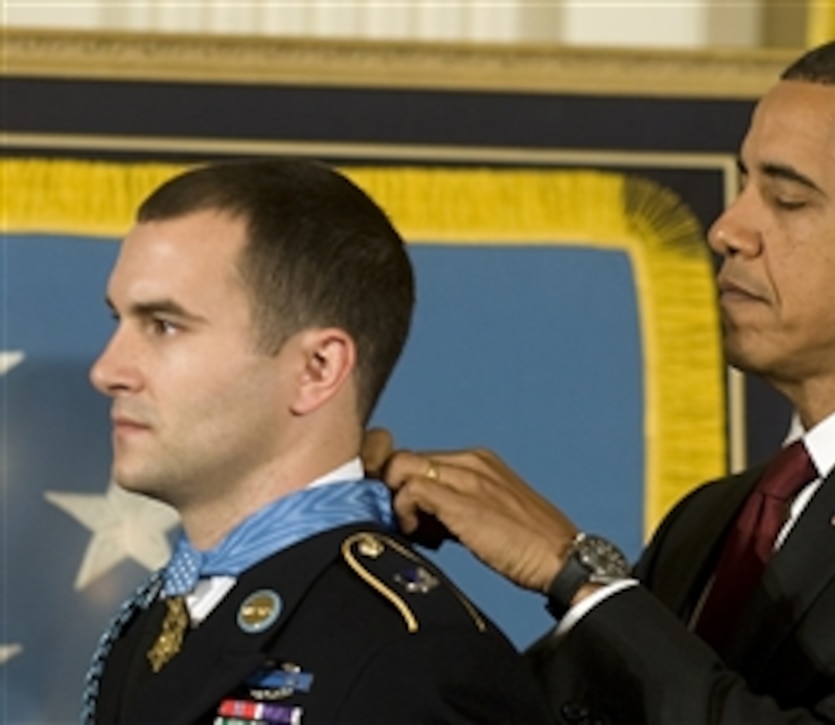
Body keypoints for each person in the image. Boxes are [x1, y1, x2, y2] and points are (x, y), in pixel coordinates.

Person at [374, 37, 835, 723]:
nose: (727, 228)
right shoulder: (715, 516)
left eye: (788, 199)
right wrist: (362, 550)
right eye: (745, 183)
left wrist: (577, 574)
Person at [82, 158, 550, 724]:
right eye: (118, 320)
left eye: (164, 325)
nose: (107, 371)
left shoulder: (407, 654)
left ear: (317, 369)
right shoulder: (164, 617)